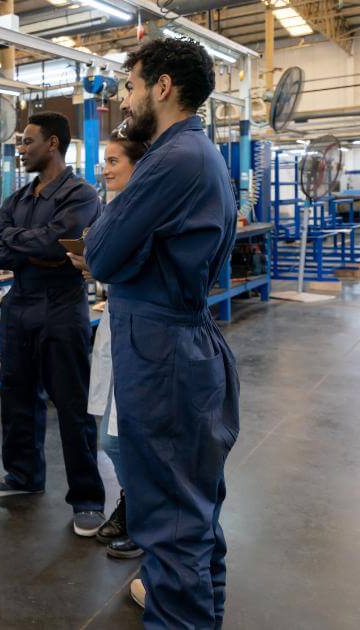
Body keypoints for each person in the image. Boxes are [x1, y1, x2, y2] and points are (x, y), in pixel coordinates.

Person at [85, 38, 240, 628]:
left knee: (172, 527)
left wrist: (123, 245)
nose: (125, 99)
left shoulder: (171, 160)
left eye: (129, 85)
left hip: (164, 356)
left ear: (163, 86)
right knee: (193, 518)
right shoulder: (194, 154)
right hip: (174, 345)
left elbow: (100, 254)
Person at [0, 111, 106, 537]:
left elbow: (59, 242)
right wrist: (33, 247)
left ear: (52, 144)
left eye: (28, 141)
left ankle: (87, 497)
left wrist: (26, 245)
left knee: (71, 404)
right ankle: (23, 476)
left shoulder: (82, 194)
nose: (21, 149)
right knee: (16, 398)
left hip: (62, 307)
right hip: (20, 305)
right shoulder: (17, 199)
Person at [71, 134, 149, 560]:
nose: (105, 168)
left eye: (114, 159)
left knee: (125, 437)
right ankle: (131, 504)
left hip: (142, 326)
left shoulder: (142, 208)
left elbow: (128, 260)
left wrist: (96, 258)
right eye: (104, 160)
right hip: (118, 318)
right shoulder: (116, 207)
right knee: (112, 436)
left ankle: (143, 517)